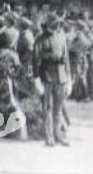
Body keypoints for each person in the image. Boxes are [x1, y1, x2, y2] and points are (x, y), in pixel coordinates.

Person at [34, 14, 71, 147]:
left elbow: (66, 58)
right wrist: (36, 78)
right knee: (47, 108)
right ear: (48, 24)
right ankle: (49, 137)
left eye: (58, 24)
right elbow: (35, 59)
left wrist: (69, 78)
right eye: (54, 24)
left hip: (61, 75)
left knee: (58, 108)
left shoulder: (62, 36)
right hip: (46, 75)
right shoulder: (40, 39)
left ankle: (57, 135)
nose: (56, 26)